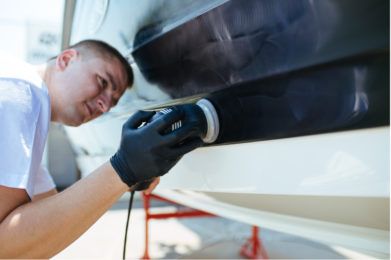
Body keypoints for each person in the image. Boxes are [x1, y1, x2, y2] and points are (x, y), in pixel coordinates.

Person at [0, 39, 203, 258]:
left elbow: (48, 220)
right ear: (66, 59)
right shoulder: (21, 92)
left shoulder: (23, 98)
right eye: (103, 82)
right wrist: (123, 168)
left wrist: (124, 178)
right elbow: (7, 247)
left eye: (113, 102)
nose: (104, 106)